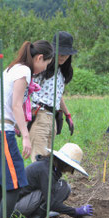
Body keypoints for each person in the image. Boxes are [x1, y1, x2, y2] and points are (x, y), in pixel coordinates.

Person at [0, 40, 53, 218]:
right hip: (0, 130)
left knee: (3, 184)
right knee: (14, 183)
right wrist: (26, 135)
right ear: (39, 58)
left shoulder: (12, 68)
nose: (44, 69)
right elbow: (15, 105)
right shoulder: (24, 71)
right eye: (46, 64)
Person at [14, 143, 93, 218]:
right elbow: (51, 202)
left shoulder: (49, 166)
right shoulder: (45, 171)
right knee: (51, 191)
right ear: (65, 163)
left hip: (23, 202)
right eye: (71, 168)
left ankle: (33, 216)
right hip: (15, 207)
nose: (69, 171)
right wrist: (75, 212)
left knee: (63, 187)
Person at [29, 31, 77, 162]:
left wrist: (68, 115)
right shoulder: (43, 67)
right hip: (39, 115)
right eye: (60, 52)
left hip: (53, 118)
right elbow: (27, 90)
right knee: (39, 161)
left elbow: (57, 95)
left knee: (48, 162)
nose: (63, 56)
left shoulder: (63, 72)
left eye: (66, 53)